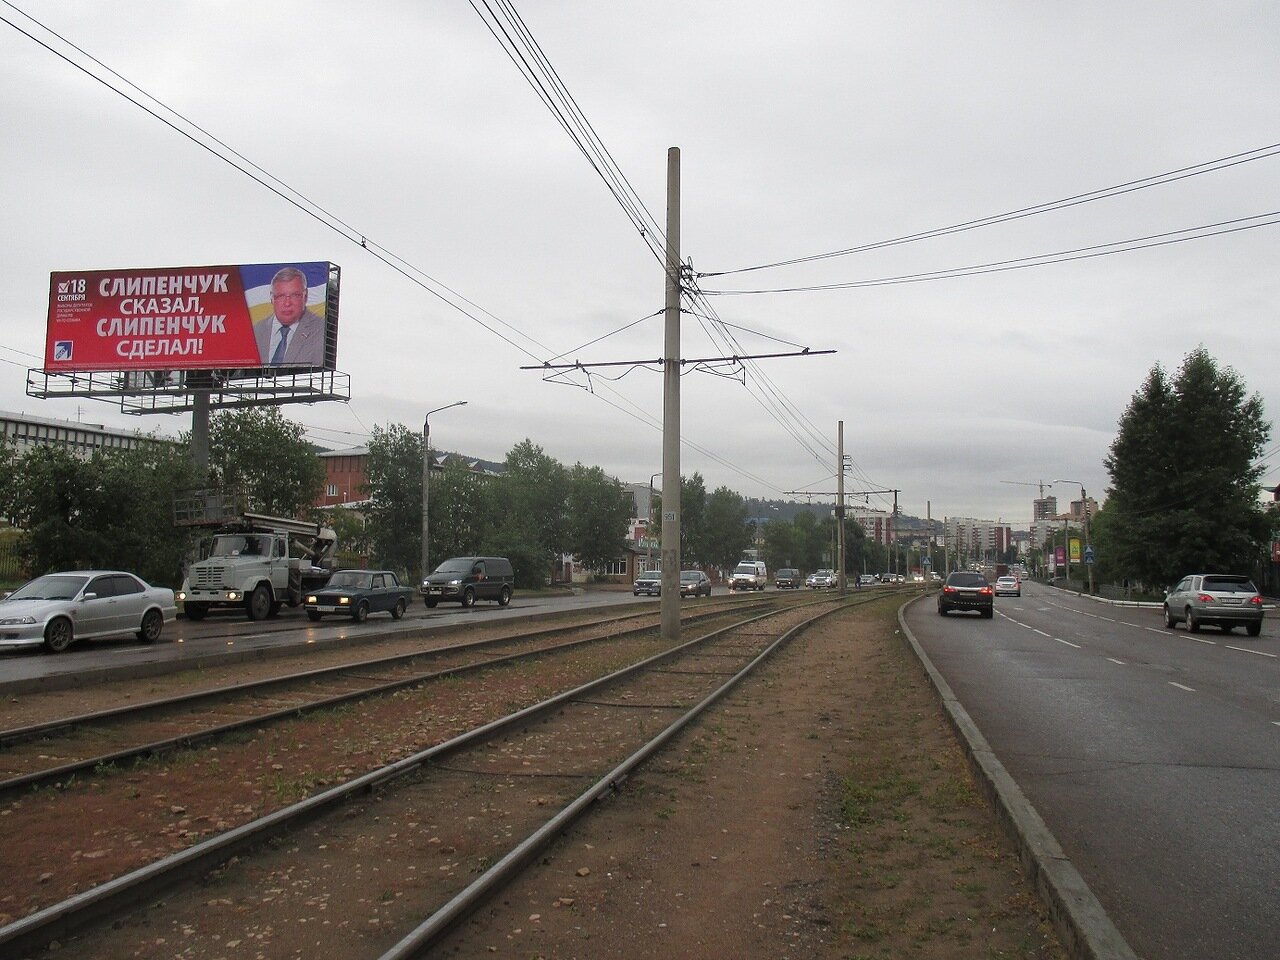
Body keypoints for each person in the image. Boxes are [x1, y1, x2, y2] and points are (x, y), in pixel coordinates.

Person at [255, 267, 326, 366]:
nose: (287, 303)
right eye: (280, 296)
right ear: (272, 298)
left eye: (295, 295)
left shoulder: (322, 330)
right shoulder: (256, 331)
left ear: (305, 296)